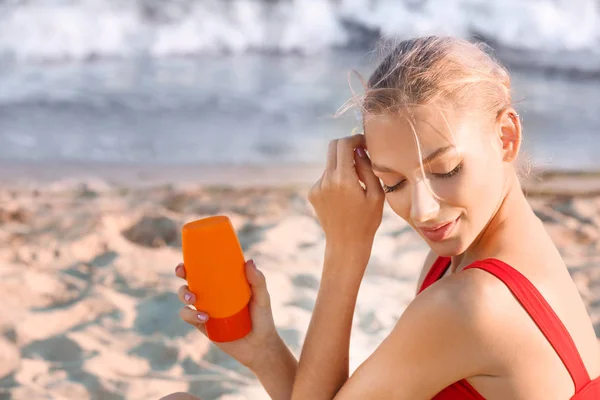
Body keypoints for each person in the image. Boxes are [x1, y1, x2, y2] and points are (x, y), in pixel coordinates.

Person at [161, 36, 600, 399]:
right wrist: (264, 350)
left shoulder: (470, 303)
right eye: (393, 183)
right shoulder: (483, 251)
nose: (423, 210)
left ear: (506, 137)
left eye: (446, 171)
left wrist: (347, 248)